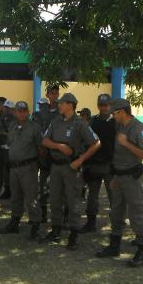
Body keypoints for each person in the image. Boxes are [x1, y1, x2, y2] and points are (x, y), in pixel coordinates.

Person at [96, 98, 143, 267]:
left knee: (137, 213)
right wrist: (115, 177)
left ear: (122, 112)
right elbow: (118, 155)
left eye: (114, 113)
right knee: (116, 212)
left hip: (132, 178)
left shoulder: (139, 128)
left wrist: (126, 143)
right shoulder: (120, 127)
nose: (112, 116)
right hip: (119, 176)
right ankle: (115, 245)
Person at [41, 93, 101, 250]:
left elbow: (96, 143)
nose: (58, 105)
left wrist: (80, 160)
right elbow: (45, 140)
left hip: (71, 168)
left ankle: (74, 234)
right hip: (55, 167)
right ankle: (56, 231)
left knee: (73, 201)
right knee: (54, 199)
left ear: (70, 105)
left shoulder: (80, 123)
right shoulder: (56, 122)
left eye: (61, 103)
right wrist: (59, 146)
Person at [0, 101, 44, 241]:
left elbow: (41, 148)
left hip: (28, 167)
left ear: (28, 112)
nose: (22, 113)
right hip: (14, 168)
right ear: (15, 112)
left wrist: (39, 165)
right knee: (16, 197)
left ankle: (36, 225)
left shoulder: (35, 127)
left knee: (31, 198)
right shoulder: (12, 126)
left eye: (24, 110)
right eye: (19, 111)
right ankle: (15, 222)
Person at [80, 94, 116, 233]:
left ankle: (117, 223)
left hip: (110, 165)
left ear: (110, 105)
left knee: (114, 197)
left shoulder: (116, 122)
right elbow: (86, 142)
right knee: (92, 196)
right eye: (101, 105)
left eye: (106, 105)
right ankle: (91, 222)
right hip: (94, 164)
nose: (103, 107)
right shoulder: (93, 122)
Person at [32, 85, 61, 222]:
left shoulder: (61, 112)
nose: (54, 96)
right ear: (47, 95)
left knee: (58, 186)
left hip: (56, 153)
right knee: (42, 184)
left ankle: (60, 216)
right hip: (42, 153)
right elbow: (35, 131)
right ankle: (42, 213)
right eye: (52, 93)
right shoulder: (39, 113)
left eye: (56, 93)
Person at [0, 99, 15, 199]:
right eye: (5, 108)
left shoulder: (16, 120)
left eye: (8, 108)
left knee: (10, 171)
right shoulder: (1, 118)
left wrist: (2, 134)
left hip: (9, 149)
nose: (6, 110)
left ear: (13, 109)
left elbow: (14, 135)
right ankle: (0, 191)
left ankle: (11, 191)